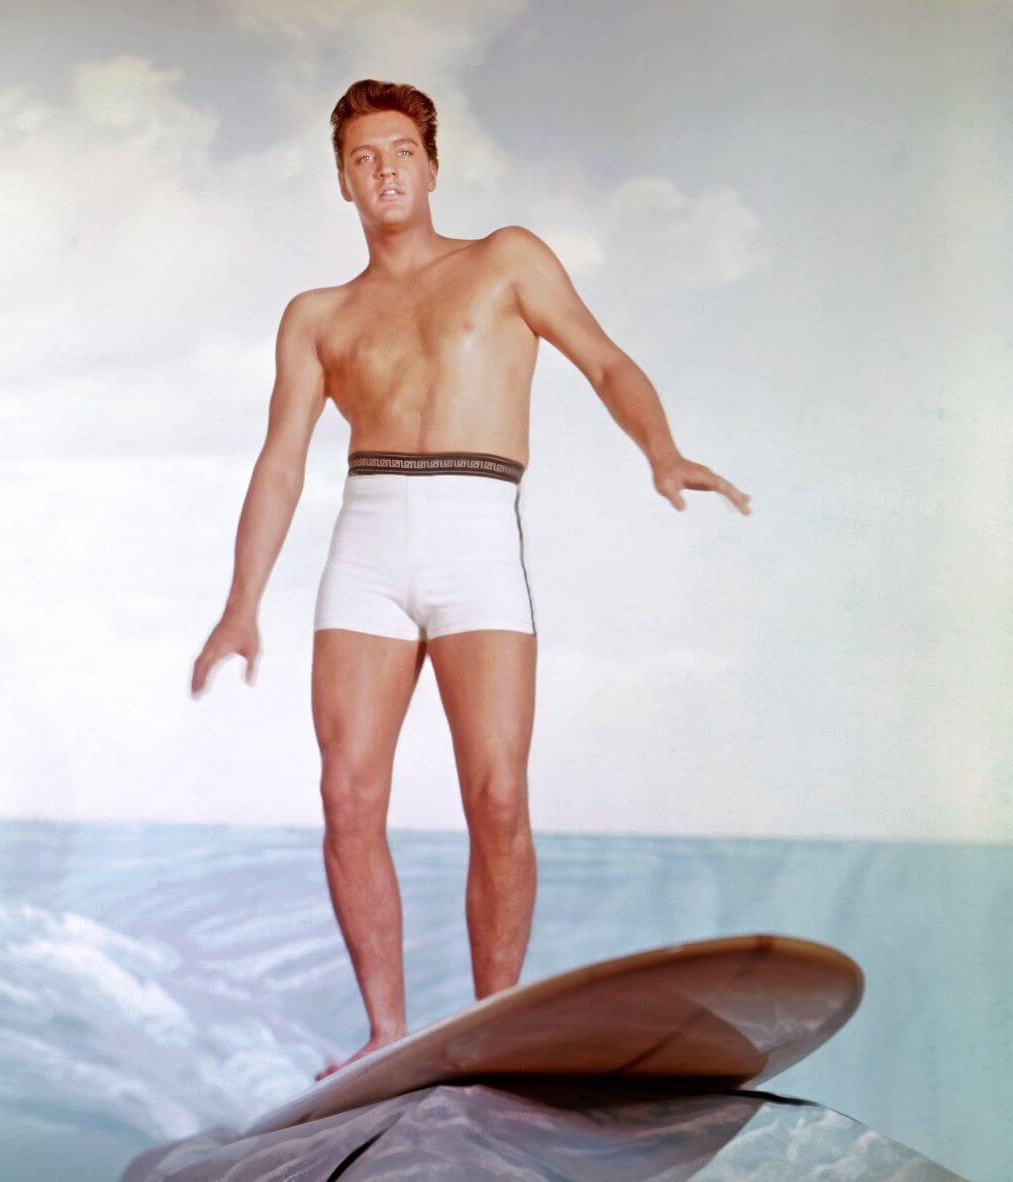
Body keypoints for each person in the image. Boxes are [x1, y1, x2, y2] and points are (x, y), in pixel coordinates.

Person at [190, 79, 751, 1082]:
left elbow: (607, 362)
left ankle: (496, 1024)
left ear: (432, 165)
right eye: (364, 158)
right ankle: (387, 1033)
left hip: (476, 533)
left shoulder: (506, 261)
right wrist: (240, 604)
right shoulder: (317, 316)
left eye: (401, 150)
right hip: (367, 543)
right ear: (343, 183)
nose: (385, 170)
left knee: (496, 795)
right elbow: (280, 463)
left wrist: (659, 451)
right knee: (348, 793)